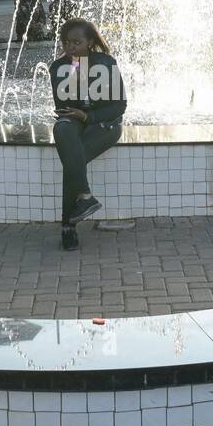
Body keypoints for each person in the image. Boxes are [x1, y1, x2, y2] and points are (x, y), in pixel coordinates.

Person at [49, 18, 127, 251]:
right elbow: (63, 106)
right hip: (75, 121)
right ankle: (84, 196)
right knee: (61, 129)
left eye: (77, 42)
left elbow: (119, 106)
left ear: (90, 42)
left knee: (73, 158)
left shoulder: (106, 63)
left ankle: (68, 227)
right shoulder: (58, 68)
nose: (70, 47)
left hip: (105, 124)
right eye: (66, 43)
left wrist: (88, 117)